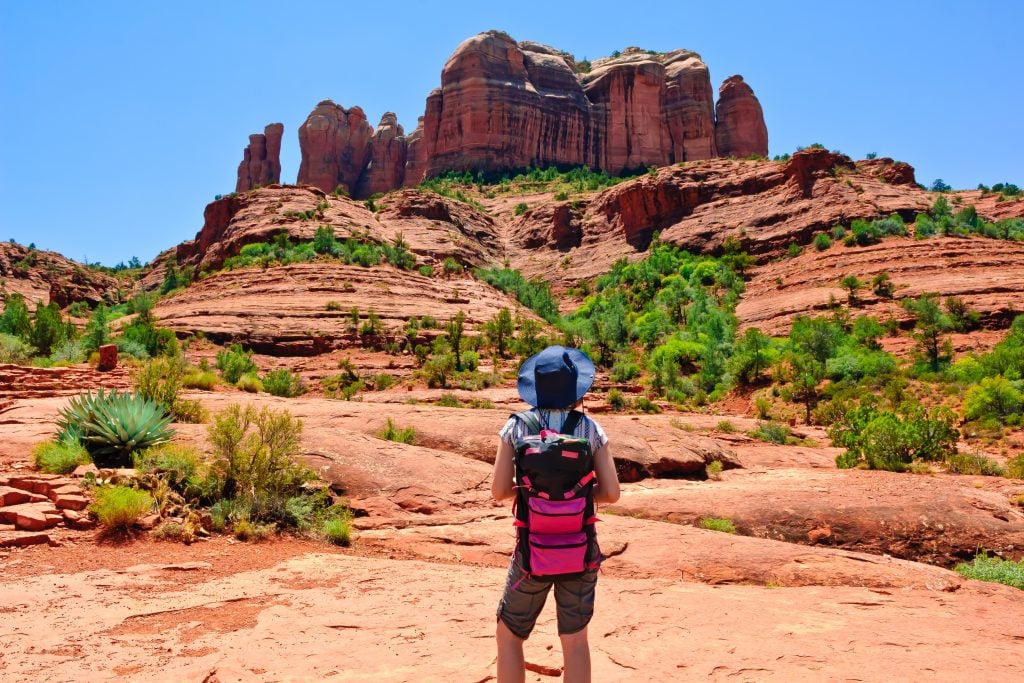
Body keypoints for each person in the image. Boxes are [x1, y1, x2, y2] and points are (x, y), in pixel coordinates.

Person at [491, 345, 621, 683]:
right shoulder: (591, 429)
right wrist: (575, 494)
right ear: (576, 388)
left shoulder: (516, 428)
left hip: (532, 551)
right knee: (575, 641)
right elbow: (610, 494)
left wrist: (537, 494)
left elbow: (499, 491)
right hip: (580, 549)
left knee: (509, 636)